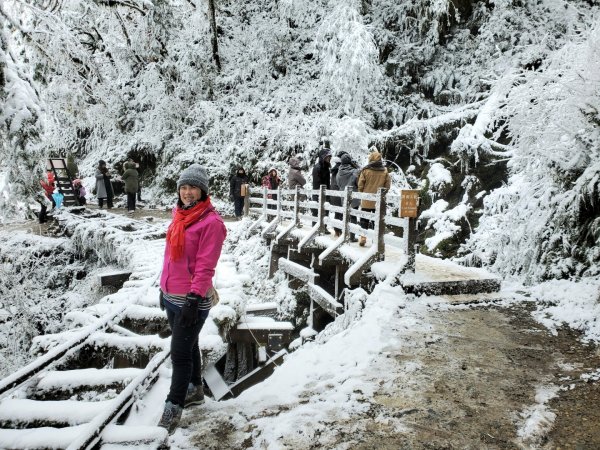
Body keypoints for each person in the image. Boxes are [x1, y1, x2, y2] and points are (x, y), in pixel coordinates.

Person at [157, 163, 227, 434]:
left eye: (193, 187)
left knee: (180, 354)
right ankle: (195, 390)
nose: (187, 192)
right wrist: (162, 288)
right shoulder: (179, 215)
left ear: (202, 191)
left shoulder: (212, 223)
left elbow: (204, 266)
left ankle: (173, 408)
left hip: (191, 299)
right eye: (183, 187)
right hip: (171, 295)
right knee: (189, 345)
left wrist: (194, 299)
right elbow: (169, 257)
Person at [357, 150, 391, 246]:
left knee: (364, 219)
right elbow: (387, 186)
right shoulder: (384, 171)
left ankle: (363, 237)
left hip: (366, 200)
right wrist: (382, 194)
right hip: (378, 201)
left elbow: (360, 184)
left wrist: (362, 194)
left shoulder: (365, 170)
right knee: (377, 220)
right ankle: (375, 240)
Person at [336, 152, 361, 241]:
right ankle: (352, 237)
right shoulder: (354, 171)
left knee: (346, 216)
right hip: (353, 197)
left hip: (343, 196)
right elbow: (358, 182)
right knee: (353, 216)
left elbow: (338, 183)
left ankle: (345, 234)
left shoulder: (339, 172)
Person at [311, 147, 332, 217]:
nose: (329, 159)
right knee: (317, 215)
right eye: (327, 157)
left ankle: (324, 227)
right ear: (323, 157)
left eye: (329, 157)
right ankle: (316, 228)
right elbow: (317, 184)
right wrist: (319, 196)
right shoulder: (318, 168)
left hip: (326, 195)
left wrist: (328, 195)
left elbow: (328, 183)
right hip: (318, 196)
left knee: (325, 215)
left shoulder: (326, 168)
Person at [330, 155, 343, 236]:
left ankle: (336, 231)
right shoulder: (340, 170)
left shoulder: (334, 170)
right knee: (340, 213)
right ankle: (339, 231)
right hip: (339, 192)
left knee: (337, 213)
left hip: (333, 193)